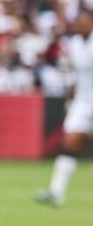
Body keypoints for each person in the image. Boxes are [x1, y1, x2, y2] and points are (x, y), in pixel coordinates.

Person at [36, 11, 93, 207]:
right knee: (70, 143)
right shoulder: (75, 43)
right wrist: (71, 96)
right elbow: (78, 75)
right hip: (83, 102)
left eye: (84, 22)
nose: (80, 25)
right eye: (78, 22)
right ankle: (56, 192)